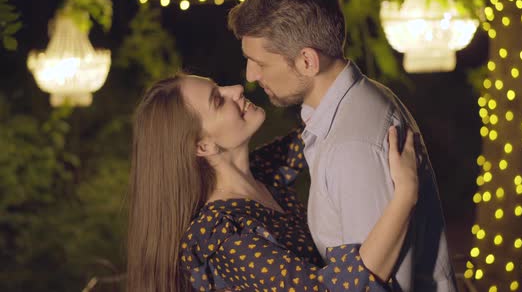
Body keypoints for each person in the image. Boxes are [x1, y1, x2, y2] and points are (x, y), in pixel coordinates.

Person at [227, 0, 457, 291]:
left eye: (260, 63)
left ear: (307, 61)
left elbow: (379, 283)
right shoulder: (349, 106)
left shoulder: (353, 146)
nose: (251, 75)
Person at [126, 73, 420, 291]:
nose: (237, 89)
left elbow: (326, 124)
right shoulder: (221, 235)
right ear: (202, 146)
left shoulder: (261, 172)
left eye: (220, 86)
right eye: (218, 100)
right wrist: (405, 193)